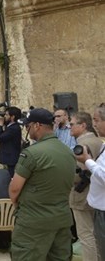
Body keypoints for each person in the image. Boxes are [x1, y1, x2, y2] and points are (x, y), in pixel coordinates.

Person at [9, 108, 76, 261]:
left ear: (37, 125)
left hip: (33, 222)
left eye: (28, 126)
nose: (27, 129)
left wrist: (19, 206)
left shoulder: (32, 153)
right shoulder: (68, 152)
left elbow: (14, 189)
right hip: (62, 218)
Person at [68, 112, 102, 261]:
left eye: (72, 124)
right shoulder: (98, 141)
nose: (70, 126)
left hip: (82, 194)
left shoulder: (82, 145)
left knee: (86, 235)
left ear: (82, 125)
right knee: (97, 235)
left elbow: (77, 174)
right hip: (96, 196)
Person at [0, 106, 23, 177]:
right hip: (8, 159)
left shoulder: (14, 128)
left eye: (7, 115)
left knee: (9, 177)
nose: (5, 116)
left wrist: (0, 126)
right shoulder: (10, 126)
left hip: (10, 160)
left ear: (12, 117)